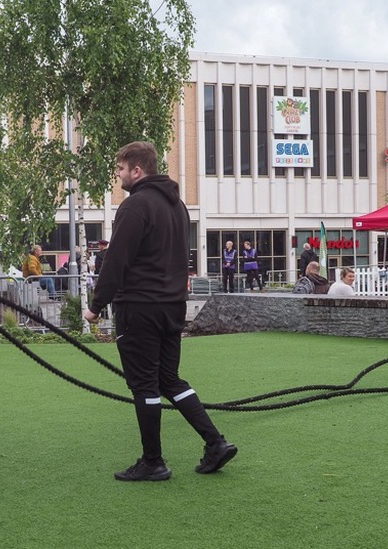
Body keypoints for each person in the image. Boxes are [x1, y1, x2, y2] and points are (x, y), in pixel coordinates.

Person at [83, 141, 237, 482]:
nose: (118, 175)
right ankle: (215, 442)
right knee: (168, 379)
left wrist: (96, 306)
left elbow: (116, 260)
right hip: (172, 307)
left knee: (144, 386)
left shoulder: (135, 206)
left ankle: (153, 461)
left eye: (121, 169)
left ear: (137, 170)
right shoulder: (177, 206)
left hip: (139, 308)